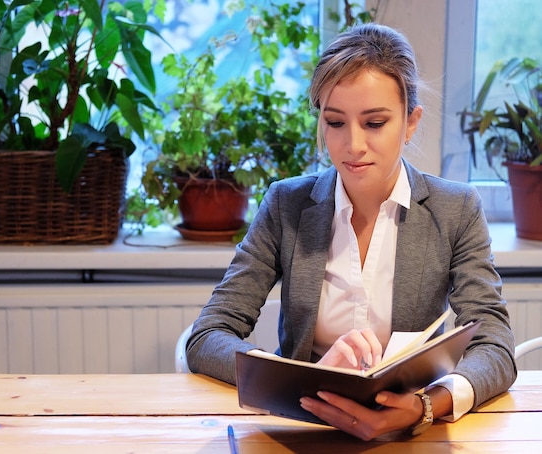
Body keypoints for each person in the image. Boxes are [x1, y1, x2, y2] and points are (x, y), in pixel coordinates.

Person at [185, 23, 516, 441]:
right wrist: (299, 380)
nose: (352, 145)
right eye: (335, 122)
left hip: (411, 433)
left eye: (375, 123)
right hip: (303, 432)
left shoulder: (456, 209)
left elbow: (495, 346)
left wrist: (422, 407)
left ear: (411, 122)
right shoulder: (286, 205)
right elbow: (207, 335)